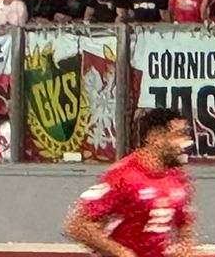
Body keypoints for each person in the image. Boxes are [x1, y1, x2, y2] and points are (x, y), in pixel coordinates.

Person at [65, 109, 195, 257]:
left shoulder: (178, 178)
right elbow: (78, 224)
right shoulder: (123, 176)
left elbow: (185, 224)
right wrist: (120, 252)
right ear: (155, 138)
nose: (186, 143)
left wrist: (184, 246)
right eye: (178, 135)